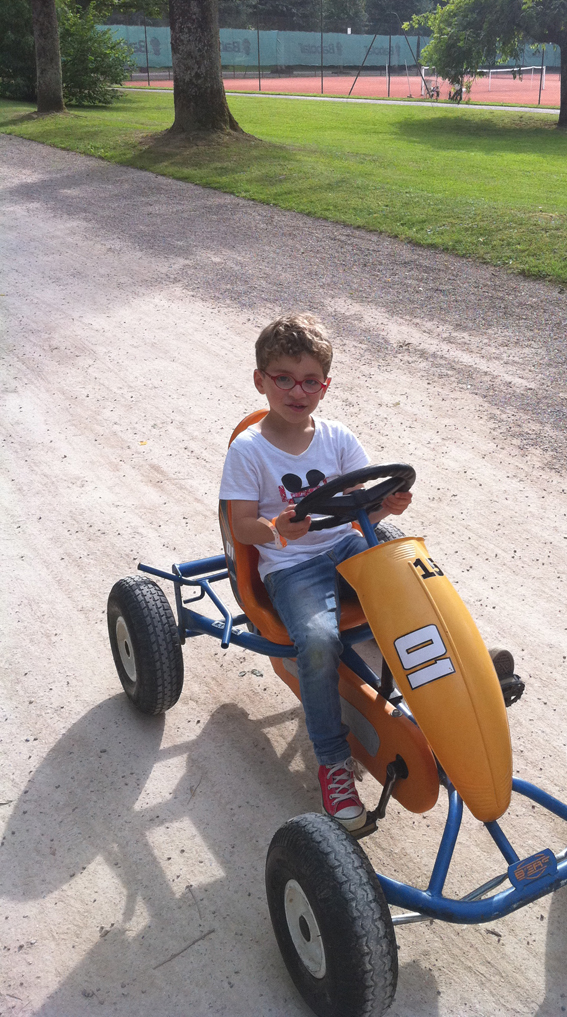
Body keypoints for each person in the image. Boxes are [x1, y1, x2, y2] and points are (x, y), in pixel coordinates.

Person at [219, 314, 412, 830]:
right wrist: (277, 529)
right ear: (260, 380)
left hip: (345, 546)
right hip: (291, 567)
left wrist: (386, 507)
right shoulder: (249, 450)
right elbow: (241, 528)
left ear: (325, 385)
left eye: (310, 381)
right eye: (283, 378)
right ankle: (333, 762)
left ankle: (456, 675)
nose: (297, 392)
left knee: (414, 584)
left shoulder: (338, 438)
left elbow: (361, 509)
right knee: (321, 640)